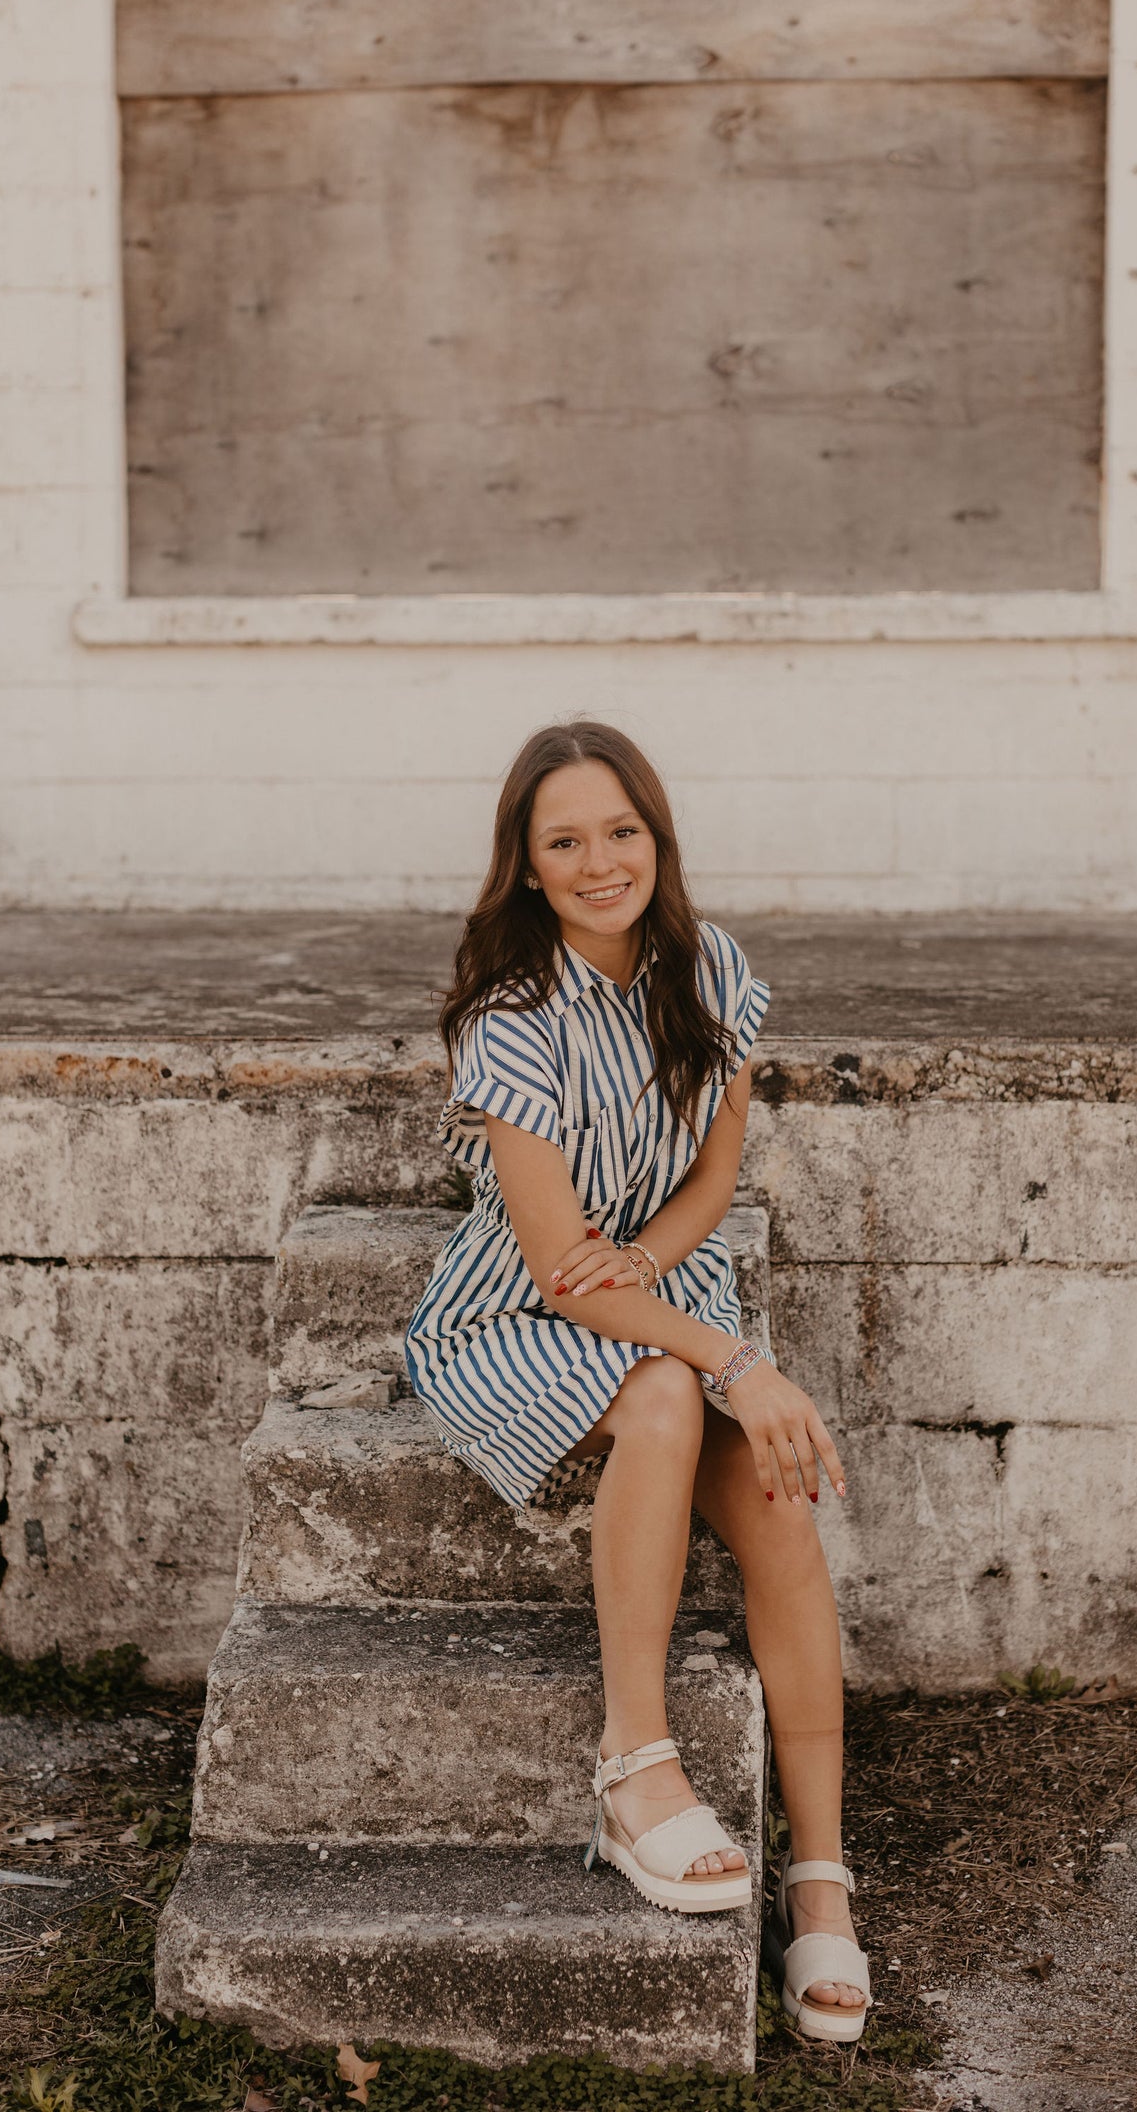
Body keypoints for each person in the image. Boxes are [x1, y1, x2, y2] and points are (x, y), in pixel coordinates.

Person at [404, 721, 870, 2042]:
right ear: (529, 871)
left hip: (659, 1287)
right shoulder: (512, 1021)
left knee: (776, 1504)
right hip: (512, 1315)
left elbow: (712, 1182)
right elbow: (558, 1269)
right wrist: (735, 1358)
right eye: (565, 842)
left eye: (620, 831)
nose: (598, 860)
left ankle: (822, 1883)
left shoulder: (712, 970)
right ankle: (632, 1768)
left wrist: (670, 1279)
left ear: (655, 839)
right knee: (669, 1400)